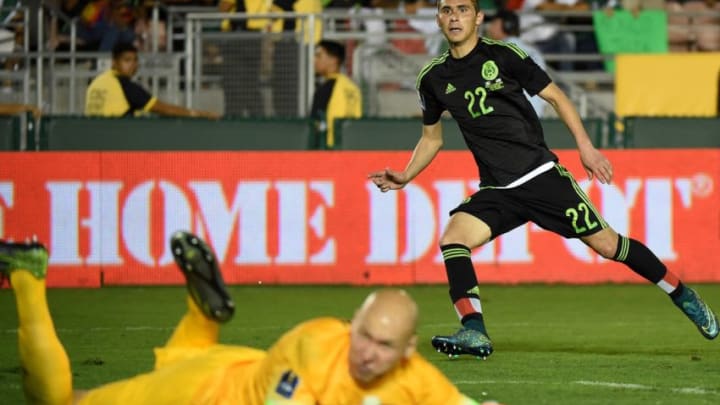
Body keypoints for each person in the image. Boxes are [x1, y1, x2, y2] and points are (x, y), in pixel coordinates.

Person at [369, 0, 718, 360]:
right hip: (497, 189)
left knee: (609, 245)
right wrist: (406, 174)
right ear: (438, 20)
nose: (454, 16)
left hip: (540, 176)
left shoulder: (505, 56)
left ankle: (682, 294)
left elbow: (555, 96)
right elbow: (432, 139)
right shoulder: (432, 78)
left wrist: (586, 148)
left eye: (462, 9)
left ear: (478, 17)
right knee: (453, 240)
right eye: (446, 10)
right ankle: (474, 330)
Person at [0, 232, 493, 404]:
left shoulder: (416, 379)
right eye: (362, 336)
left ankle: (203, 310)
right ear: (351, 325)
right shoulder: (318, 344)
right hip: (199, 395)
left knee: (183, 357)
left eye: (383, 347)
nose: (366, 351)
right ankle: (26, 276)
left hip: (226, 365)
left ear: (408, 353)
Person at [84, 42, 220, 118]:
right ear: (114, 62)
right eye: (127, 60)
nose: (133, 65)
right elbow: (165, 109)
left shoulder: (97, 81)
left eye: (135, 60)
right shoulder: (125, 86)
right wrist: (200, 114)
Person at [484, 8, 547, 117]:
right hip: (535, 117)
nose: (489, 27)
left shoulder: (501, 50)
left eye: (494, 23)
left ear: (505, 25)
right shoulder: (533, 50)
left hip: (513, 118)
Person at [310, 40, 362, 149]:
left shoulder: (326, 89)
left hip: (328, 147)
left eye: (319, 56)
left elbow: (315, 123)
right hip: (352, 146)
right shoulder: (353, 87)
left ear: (333, 60)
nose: (314, 60)